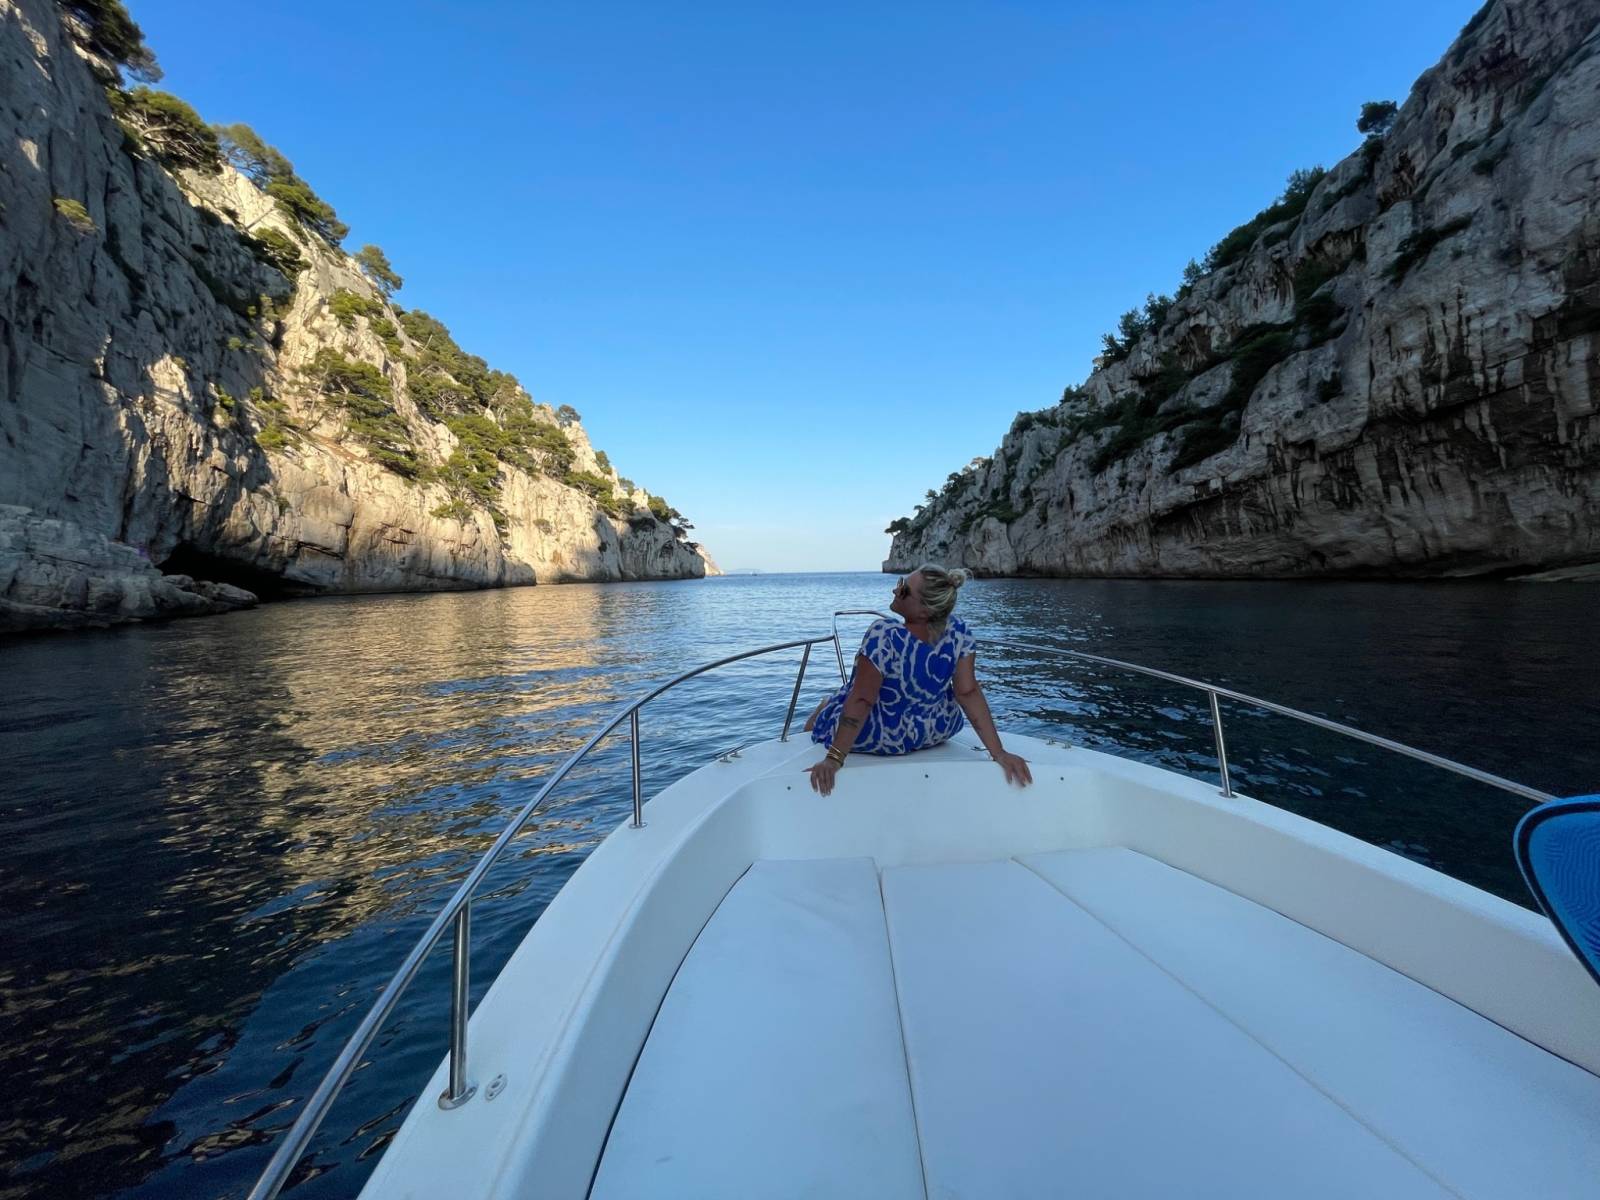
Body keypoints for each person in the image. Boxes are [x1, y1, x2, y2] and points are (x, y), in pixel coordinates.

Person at [804, 565, 1032, 796]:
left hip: (880, 736)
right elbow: (968, 692)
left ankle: (823, 709)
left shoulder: (884, 635)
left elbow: (862, 699)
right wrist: (999, 753)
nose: (896, 590)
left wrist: (833, 760)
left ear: (924, 610)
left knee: (828, 710)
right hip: (935, 731)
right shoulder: (959, 631)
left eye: (904, 589)